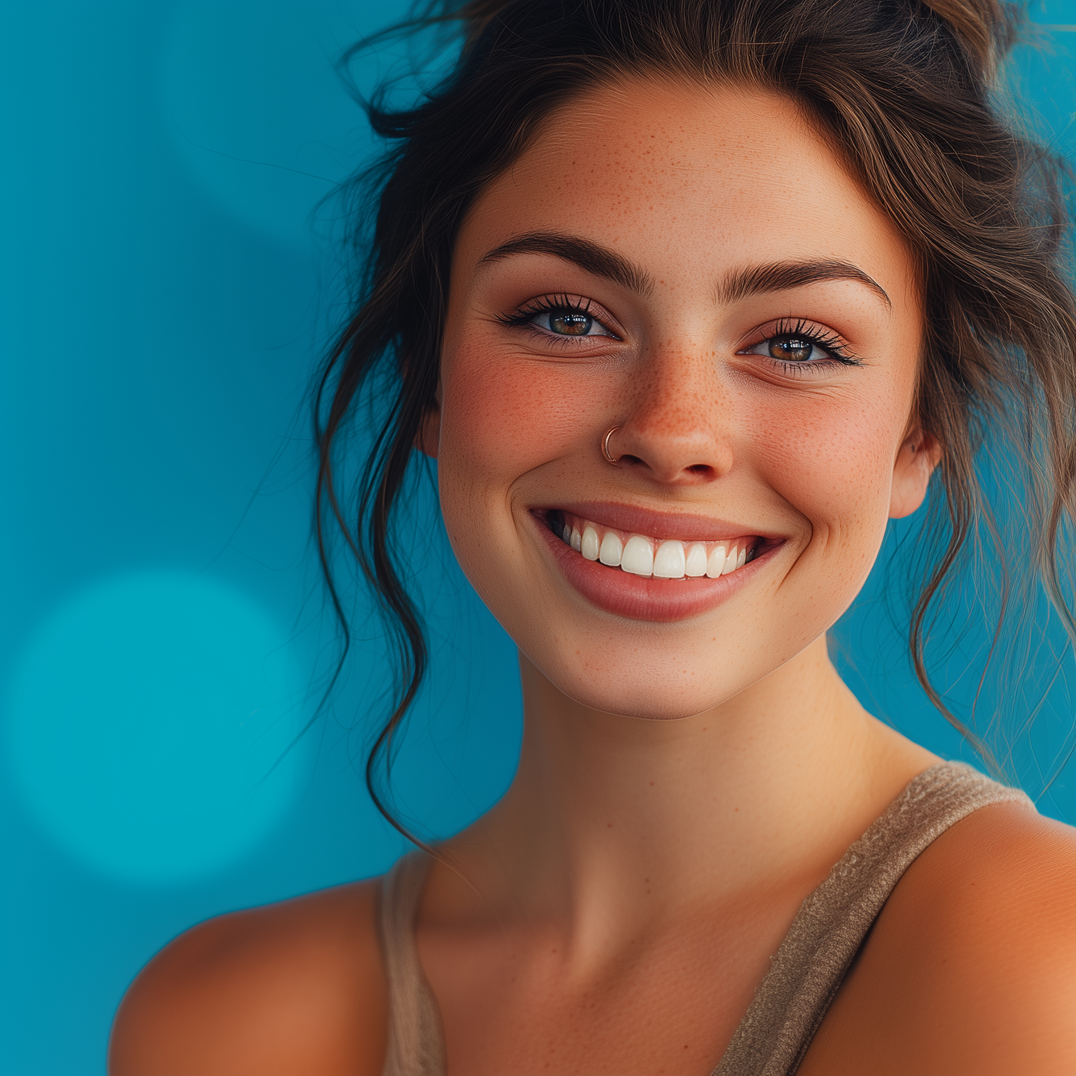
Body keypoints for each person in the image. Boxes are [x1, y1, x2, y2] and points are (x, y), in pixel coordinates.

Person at [109, 1, 1076, 1072]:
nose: (669, 433)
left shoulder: (1044, 975)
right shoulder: (220, 1027)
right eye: (565, 317)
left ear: (919, 434)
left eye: (796, 342)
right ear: (429, 381)